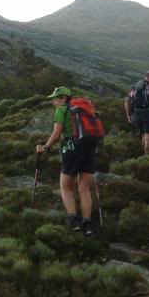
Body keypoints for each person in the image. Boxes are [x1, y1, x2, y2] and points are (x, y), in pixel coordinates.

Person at [36, 86, 97, 237]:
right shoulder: (84, 109)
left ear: (64, 98)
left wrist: (46, 147)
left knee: (65, 186)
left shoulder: (61, 110)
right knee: (84, 188)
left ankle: (73, 220)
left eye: (55, 98)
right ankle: (87, 223)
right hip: (89, 150)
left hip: (71, 150)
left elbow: (56, 134)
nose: (53, 102)